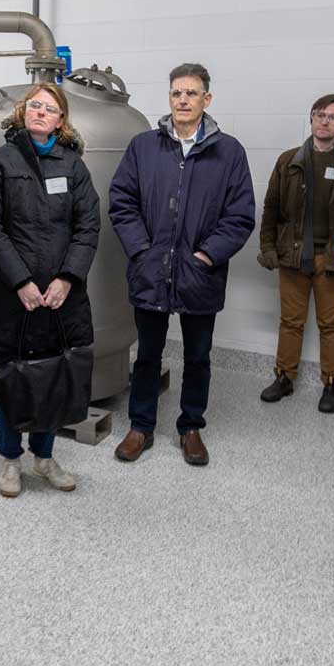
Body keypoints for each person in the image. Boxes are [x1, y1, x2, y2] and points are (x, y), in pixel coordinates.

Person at [109, 62, 256, 467]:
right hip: (151, 271)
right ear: (169, 97)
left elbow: (240, 215)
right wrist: (141, 249)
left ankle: (190, 427)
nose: (183, 100)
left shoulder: (229, 152)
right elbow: (121, 202)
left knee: (198, 357)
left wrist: (206, 255)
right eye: (177, 93)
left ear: (206, 99)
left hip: (199, 275)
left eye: (192, 93)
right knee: (147, 356)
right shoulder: (144, 146)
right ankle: (140, 426)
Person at [0, 83, 100, 497]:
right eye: (35, 106)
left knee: (55, 377)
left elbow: (88, 227)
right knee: (13, 377)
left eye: (50, 108)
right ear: (24, 112)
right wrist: (21, 282)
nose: (40, 112)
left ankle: (43, 458)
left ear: (61, 120)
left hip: (62, 297)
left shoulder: (73, 166)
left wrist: (67, 278)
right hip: (15, 296)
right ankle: (10, 462)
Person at [257, 93, 334, 413]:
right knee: (290, 322)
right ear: (311, 119)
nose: (325, 121)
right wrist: (267, 247)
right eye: (320, 114)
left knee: (331, 324)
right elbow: (271, 208)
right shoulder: (288, 160)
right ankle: (284, 377)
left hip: (332, 259)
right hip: (293, 256)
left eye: (333, 117)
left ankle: (332, 383)